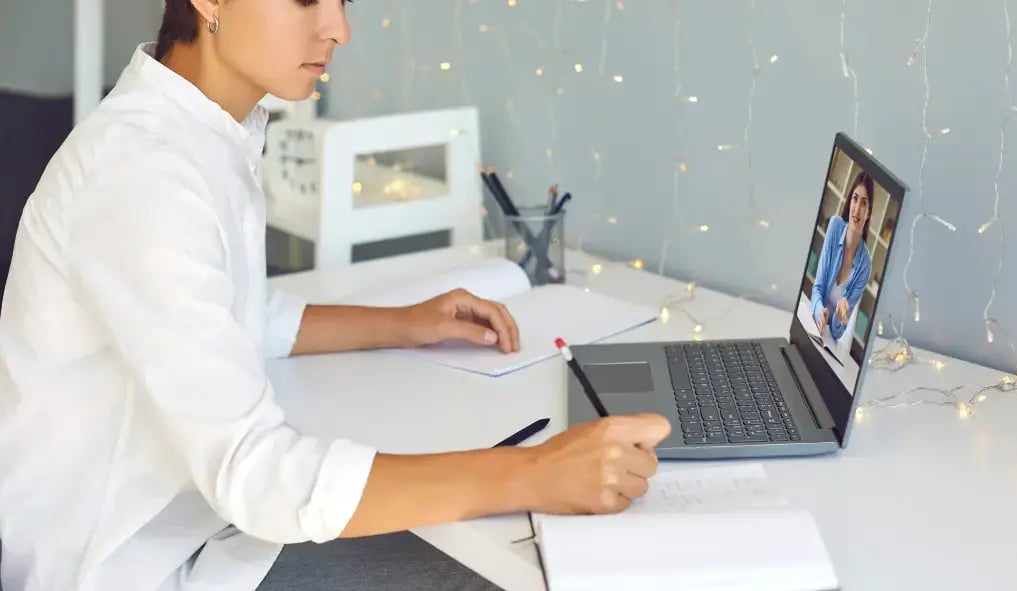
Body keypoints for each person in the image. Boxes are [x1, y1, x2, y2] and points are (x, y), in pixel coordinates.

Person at [0, 1, 671, 589]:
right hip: (138, 566)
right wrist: (532, 472)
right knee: (501, 570)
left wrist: (405, 323)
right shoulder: (142, 173)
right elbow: (255, 474)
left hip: (198, 528)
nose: (340, 29)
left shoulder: (204, 130)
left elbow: (237, 316)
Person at [811, 170, 874, 342]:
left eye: (864, 203)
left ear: (868, 213)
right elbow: (817, 288)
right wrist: (819, 312)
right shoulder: (835, 226)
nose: (857, 209)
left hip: (831, 341)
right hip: (814, 328)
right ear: (850, 200)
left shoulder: (865, 266)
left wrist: (839, 315)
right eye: (855, 199)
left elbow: (839, 332)